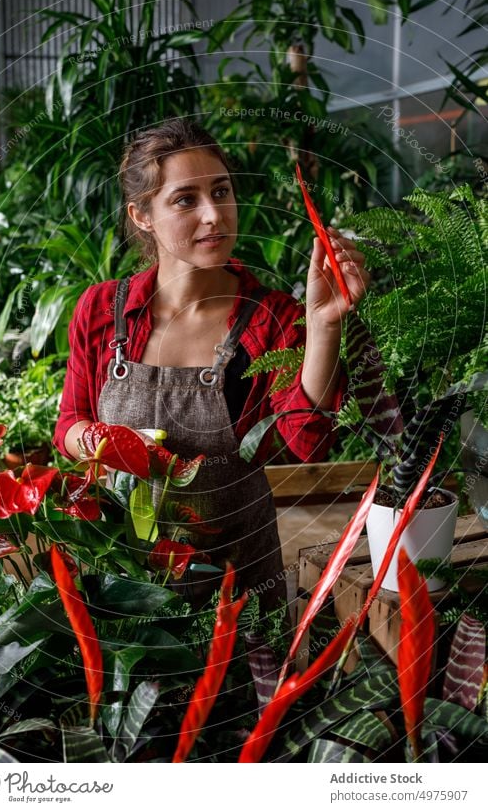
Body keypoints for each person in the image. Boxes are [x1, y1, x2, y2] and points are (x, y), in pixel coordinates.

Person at [53, 117, 369, 614]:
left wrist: (325, 323)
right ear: (142, 215)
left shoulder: (271, 320)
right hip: (121, 583)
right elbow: (68, 427)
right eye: (185, 199)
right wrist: (112, 445)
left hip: (238, 590)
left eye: (221, 191)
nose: (213, 215)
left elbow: (305, 444)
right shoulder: (102, 311)